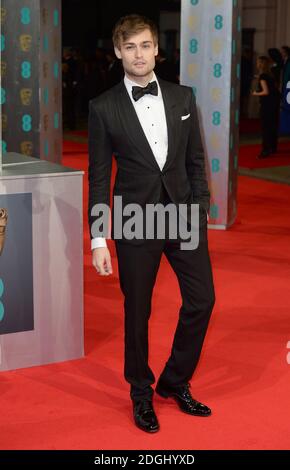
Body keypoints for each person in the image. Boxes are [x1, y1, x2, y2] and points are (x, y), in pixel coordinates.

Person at [88, 14, 215, 433]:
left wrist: (199, 208)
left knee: (202, 301)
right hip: (134, 220)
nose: (138, 54)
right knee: (137, 312)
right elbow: (100, 175)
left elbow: (196, 160)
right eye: (130, 47)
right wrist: (98, 239)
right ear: (118, 52)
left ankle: (174, 381)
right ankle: (141, 394)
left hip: (182, 216)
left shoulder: (182, 97)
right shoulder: (103, 107)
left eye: (145, 45)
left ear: (157, 48)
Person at [252, 56, 280, 158]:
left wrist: (256, 93)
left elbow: (265, 91)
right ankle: (272, 148)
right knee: (272, 126)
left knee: (266, 127)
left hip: (267, 105)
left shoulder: (263, 76)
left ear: (260, 64)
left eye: (258, 62)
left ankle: (265, 150)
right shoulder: (270, 75)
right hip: (274, 104)